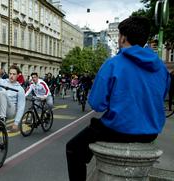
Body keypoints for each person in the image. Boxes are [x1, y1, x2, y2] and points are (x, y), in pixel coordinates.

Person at [66, 16, 170, 181]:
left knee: (73, 148)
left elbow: (97, 104)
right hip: (151, 132)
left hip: (119, 130)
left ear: (122, 37)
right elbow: (161, 95)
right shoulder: (161, 68)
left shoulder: (113, 63)